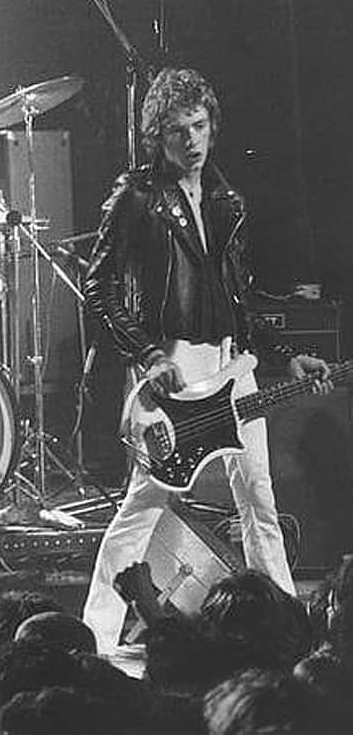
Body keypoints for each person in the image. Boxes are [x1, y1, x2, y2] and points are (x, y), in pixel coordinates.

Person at [81, 68, 331, 655]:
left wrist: (285, 355)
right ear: (156, 138)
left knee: (260, 499)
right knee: (147, 502)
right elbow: (99, 286)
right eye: (176, 131)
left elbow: (236, 297)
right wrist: (146, 356)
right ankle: (92, 634)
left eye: (198, 126)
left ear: (212, 127)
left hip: (231, 362)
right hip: (173, 360)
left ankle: (284, 628)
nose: (190, 141)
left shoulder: (226, 200)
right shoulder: (137, 197)